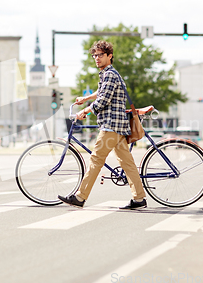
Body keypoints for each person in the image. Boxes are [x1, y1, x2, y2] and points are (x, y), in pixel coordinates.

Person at [58, 40, 147, 210]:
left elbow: (103, 100)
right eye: (94, 55)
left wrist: (85, 111)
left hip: (111, 126)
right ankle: (139, 198)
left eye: (100, 55)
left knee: (96, 160)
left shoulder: (110, 74)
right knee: (127, 163)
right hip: (118, 127)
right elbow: (102, 92)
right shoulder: (109, 74)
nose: (96, 58)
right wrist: (86, 98)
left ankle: (80, 196)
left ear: (109, 56)